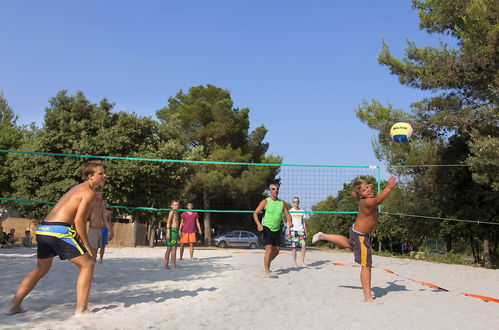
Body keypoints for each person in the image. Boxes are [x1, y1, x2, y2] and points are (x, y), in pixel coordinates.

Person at [7, 160, 105, 315]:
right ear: (90, 176)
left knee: (41, 269)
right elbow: (78, 220)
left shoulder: (76, 188)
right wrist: (85, 243)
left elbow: (73, 216)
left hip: (44, 228)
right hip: (58, 231)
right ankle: (82, 309)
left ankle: (14, 306)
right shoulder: (89, 192)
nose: (104, 176)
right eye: (101, 173)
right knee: (87, 265)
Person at [312, 176, 396, 302]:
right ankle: (368, 298)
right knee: (366, 265)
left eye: (367, 186)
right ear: (360, 195)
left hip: (356, 232)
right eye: (364, 190)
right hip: (361, 236)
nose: (367, 190)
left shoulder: (361, 197)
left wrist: (365, 189)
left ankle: (323, 235)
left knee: (349, 244)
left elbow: (354, 193)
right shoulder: (367, 201)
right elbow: (378, 200)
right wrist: (388, 187)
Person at [253, 183, 293, 278]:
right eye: (274, 189)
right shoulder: (265, 201)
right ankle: (267, 271)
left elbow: (287, 214)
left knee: (277, 251)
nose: (276, 190)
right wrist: (259, 224)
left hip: (277, 228)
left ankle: (266, 263)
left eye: (277, 189)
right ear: (270, 191)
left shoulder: (282, 202)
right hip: (266, 227)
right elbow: (255, 213)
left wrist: (290, 222)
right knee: (269, 249)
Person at [87, 188, 105, 265]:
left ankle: (90, 273)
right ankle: (89, 274)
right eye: (96, 194)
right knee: (92, 254)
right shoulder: (91, 204)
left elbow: (103, 218)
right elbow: (84, 218)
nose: (98, 196)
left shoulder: (101, 205)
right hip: (93, 230)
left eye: (100, 194)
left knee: (95, 253)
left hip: (100, 230)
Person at [289, 197, 307, 267]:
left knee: (303, 245)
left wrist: (305, 231)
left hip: (301, 230)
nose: (296, 203)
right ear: (293, 203)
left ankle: (302, 262)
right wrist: (288, 232)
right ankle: (295, 263)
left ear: (299, 202)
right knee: (294, 247)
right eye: (295, 201)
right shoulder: (290, 211)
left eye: (297, 201)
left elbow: (304, 222)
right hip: (293, 230)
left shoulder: (302, 211)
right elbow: (288, 222)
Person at [164, 200, 180, 269]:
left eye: (177, 205)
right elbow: (168, 222)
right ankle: (172, 265)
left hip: (175, 231)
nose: (177, 206)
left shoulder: (176, 212)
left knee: (172, 248)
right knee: (171, 249)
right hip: (171, 231)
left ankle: (167, 265)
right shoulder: (171, 212)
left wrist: (178, 231)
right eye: (175, 205)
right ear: (172, 205)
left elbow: (176, 222)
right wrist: (168, 232)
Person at [98, 199, 113, 263]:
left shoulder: (108, 212)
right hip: (97, 228)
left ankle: (101, 259)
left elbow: (109, 222)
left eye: (105, 202)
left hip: (105, 229)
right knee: (95, 245)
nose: (104, 203)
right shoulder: (97, 211)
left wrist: (111, 231)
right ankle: (93, 258)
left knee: (103, 245)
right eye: (103, 201)